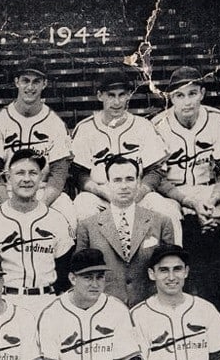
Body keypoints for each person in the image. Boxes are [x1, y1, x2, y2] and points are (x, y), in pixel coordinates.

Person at [152, 66, 220, 310]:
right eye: (180, 96)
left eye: (192, 93)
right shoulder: (158, 124)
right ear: (171, 98)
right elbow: (156, 178)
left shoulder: (217, 119)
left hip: (207, 190)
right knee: (165, 213)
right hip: (172, 193)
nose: (187, 101)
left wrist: (211, 201)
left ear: (202, 93)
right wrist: (190, 203)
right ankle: (176, 290)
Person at [70, 70, 181, 242]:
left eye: (122, 95)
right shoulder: (85, 128)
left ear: (129, 95)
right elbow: (79, 174)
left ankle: (173, 263)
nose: (117, 102)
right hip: (100, 194)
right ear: (100, 96)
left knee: (167, 211)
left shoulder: (143, 126)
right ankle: (91, 265)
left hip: (138, 193)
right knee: (81, 208)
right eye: (111, 95)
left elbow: (155, 171)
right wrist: (101, 191)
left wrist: (140, 192)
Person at [0, 59, 75, 230]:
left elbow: (59, 171)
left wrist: (42, 206)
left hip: (43, 190)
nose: (30, 87)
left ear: (44, 84)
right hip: (6, 191)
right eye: (25, 80)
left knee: (68, 217)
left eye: (36, 81)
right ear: (17, 82)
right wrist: (7, 205)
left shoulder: (54, 122)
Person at [0, 149, 74, 318]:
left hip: (47, 301)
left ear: (40, 178)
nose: (27, 179)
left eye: (33, 173)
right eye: (20, 173)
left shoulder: (57, 219)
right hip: (7, 302)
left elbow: (64, 271)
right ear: (8, 178)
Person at [75, 155, 175, 307]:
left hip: (151, 310)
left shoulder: (161, 222)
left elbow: (169, 272)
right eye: (117, 180)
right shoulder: (88, 226)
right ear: (107, 184)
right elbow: (81, 277)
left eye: (129, 179)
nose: (124, 186)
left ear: (138, 182)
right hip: (105, 311)